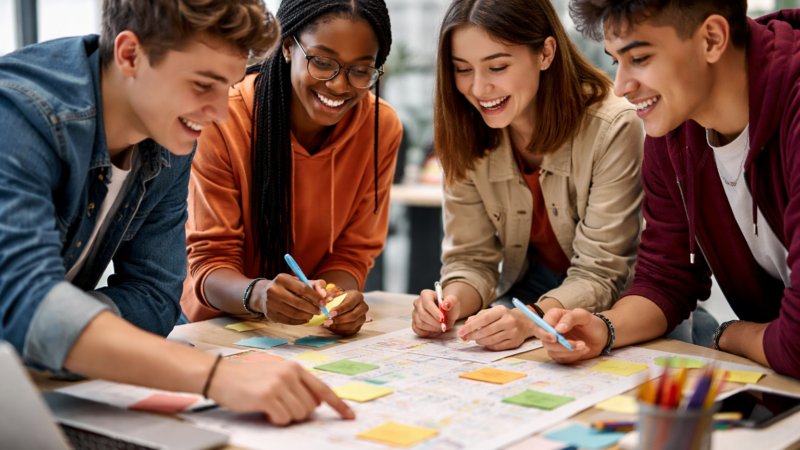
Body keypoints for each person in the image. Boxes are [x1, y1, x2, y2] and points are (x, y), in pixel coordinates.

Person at [0, 0, 352, 425]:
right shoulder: (18, 116)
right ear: (130, 54)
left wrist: (66, 330)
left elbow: (155, 298)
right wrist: (214, 377)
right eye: (203, 84)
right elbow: (29, 304)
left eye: (228, 86)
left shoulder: (167, 130)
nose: (219, 112)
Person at [536, 0, 800, 379]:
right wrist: (605, 328)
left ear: (712, 39)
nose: (622, 87)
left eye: (639, 58)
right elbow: (667, 278)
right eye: (615, 61)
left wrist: (731, 335)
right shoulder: (673, 129)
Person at [411, 0, 644, 351]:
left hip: (621, 304)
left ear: (546, 53)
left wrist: (528, 320)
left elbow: (601, 273)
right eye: (462, 69)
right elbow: (471, 258)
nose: (478, 88)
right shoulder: (465, 129)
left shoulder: (613, 126)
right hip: (529, 294)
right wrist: (451, 301)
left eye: (497, 66)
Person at [179, 0, 402, 338]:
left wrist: (336, 299)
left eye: (360, 70)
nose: (340, 86)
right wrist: (259, 295)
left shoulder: (380, 127)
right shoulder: (223, 119)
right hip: (216, 328)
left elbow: (351, 252)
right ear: (287, 47)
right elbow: (209, 264)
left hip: (306, 333)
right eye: (323, 62)